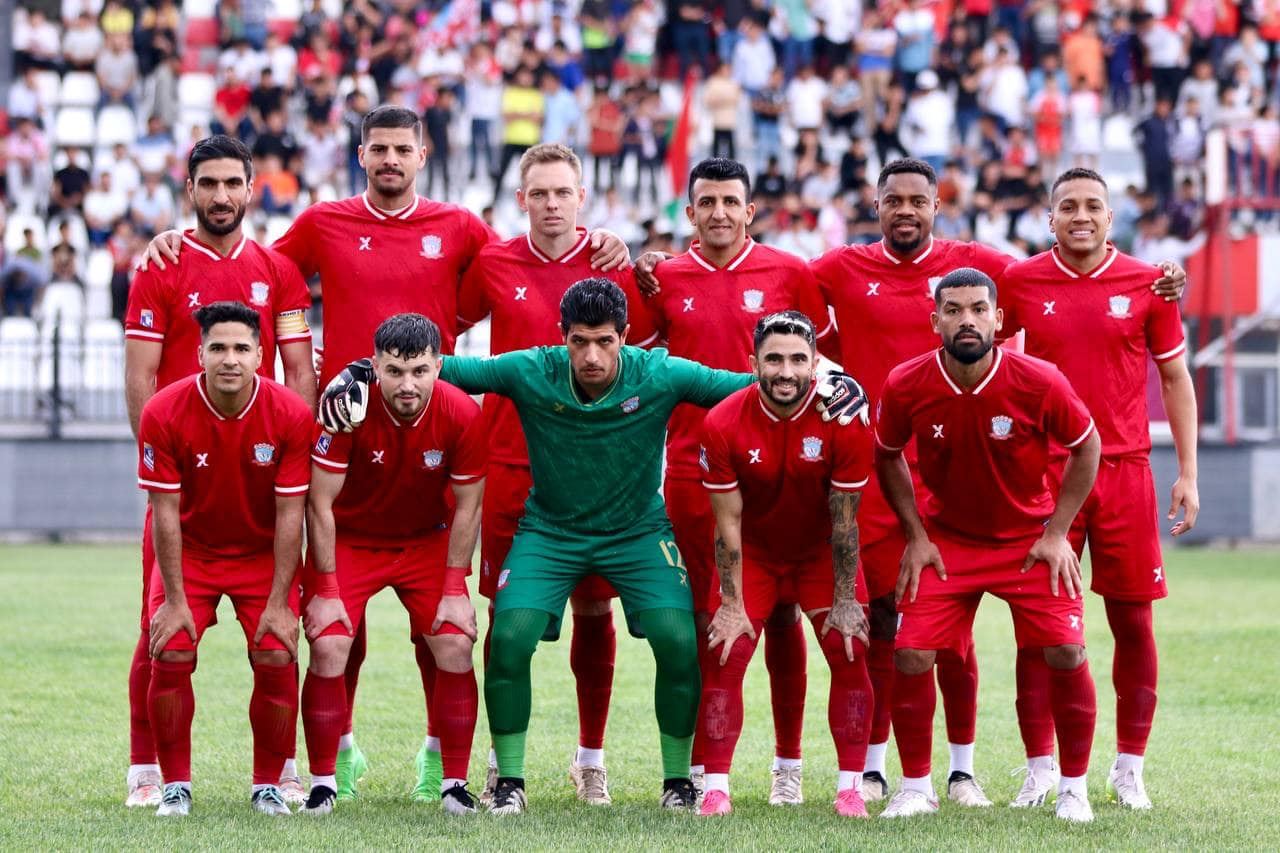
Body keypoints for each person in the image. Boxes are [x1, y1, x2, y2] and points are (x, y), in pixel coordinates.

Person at [139, 107, 629, 801]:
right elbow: (253, 272)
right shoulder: (322, 223)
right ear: (361, 155)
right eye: (380, 148)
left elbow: (530, 262)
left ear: (423, 155)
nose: (391, 159)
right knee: (338, 618)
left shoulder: (461, 229)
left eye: (403, 148)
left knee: (443, 626)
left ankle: (439, 758)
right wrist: (180, 241)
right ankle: (336, 755)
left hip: (433, 439)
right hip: (347, 441)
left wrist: (604, 242)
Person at [316, 279, 870, 814]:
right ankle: (509, 781)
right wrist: (357, 373)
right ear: (563, 337)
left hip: (637, 532)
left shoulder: (659, 373)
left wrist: (832, 379)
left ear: (625, 336)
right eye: (579, 341)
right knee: (508, 637)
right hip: (550, 531)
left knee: (680, 638)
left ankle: (679, 780)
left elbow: (752, 384)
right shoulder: (532, 369)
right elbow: (439, 367)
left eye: (605, 341)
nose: (591, 355)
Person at [455, 143, 657, 806]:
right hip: (511, 463)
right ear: (521, 200)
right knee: (507, 616)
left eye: (562, 192)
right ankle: (501, 761)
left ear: (581, 198)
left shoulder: (610, 264)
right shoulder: (493, 262)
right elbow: (442, 331)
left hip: (595, 469)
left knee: (594, 609)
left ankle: (590, 760)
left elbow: (650, 346)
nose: (550, 204)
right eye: (538, 193)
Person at [122, 135, 315, 809]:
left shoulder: (278, 270)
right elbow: (141, 376)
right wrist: (163, 467)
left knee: (278, 636)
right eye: (209, 183)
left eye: (233, 183)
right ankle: (147, 768)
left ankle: (280, 771)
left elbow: (300, 371)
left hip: (262, 481)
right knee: (159, 632)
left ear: (252, 189)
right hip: (183, 483)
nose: (222, 195)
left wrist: (294, 452)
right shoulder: (160, 266)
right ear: (190, 190)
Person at [998, 168, 1199, 810]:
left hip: (1124, 470)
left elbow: (1175, 379)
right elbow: (982, 358)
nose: (1080, 216)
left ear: (1111, 218)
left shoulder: (1149, 283)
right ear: (1049, 218)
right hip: (1048, 473)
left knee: (1133, 621)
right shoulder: (1019, 281)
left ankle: (1129, 767)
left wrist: (1188, 472)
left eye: (1093, 206)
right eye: (1068, 207)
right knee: (1040, 627)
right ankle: (1040, 768)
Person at [874, 267, 1102, 822]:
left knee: (1067, 651)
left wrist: (1056, 532)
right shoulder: (906, 382)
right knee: (910, 654)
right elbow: (887, 453)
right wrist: (916, 535)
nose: (967, 320)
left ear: (998, 319)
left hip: (1028, 541)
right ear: (935, 320)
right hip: (947, 542)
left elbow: (1087, 445)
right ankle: (916, 787)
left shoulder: (1039, 379)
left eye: (979, 309)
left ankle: (1073, 789)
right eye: (954, 310)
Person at [639, 157, 834, 805]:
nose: (719, 212)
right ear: (689, 212)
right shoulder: (665, 277)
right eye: (707, 202)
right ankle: (701, 769)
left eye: (730, 201)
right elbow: (633, 357)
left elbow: (821, 361)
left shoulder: (791, 272)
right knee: (710, 618)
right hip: (694, 472)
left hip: (783, 472)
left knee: (783, 615)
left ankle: (788, 765)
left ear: (751, 210)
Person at [302, 314, 485, 816]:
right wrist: (327, 590)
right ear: (375, 366)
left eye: (420, 371)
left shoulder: (462, 413)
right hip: (352, 540)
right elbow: (319, 503)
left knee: (454, 640)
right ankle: (325, 781)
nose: (408, 384)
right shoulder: (346, 410)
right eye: (395, 371)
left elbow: (469, 506)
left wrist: (455, 587)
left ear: (439, 367)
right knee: (329, 643)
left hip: (426, 542)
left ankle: (451, 781)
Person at [138, 301, 314, 817]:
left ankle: (267, 786)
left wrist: (280, 602)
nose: (230, 359)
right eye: (218, 348)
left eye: (241, 348)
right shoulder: (163, 411)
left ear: (261, 355)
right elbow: (165, 514)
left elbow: (291, 516)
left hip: (262, 555)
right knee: (170, 648)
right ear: (200, 355)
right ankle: (175, 786)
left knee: (277, 651)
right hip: (191, 552)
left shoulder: (290, 414)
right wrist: (174, 600)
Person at [697, 311, 874, 818]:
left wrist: (845, 599)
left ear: (816, 364)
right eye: (773, 359)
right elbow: (727, 524)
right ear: (753, 363)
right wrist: (731, 604)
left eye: (798, 359)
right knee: (725, 650)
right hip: (754, 553)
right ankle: (715, 789)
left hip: (820, 550)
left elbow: (845, 522)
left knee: (848, 645)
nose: (786, 371)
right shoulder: (722, 421)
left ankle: (850, 788)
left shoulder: (844, 420)